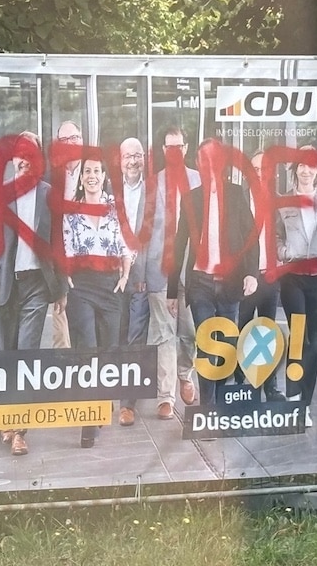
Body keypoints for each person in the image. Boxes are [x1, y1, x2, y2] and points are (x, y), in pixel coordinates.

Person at [0, 131, 66, 457]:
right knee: (8, 356)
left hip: (37, 286)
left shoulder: (49, 195)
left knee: (27, 357)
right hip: (5, 285)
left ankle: (19, 431)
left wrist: (61, 289)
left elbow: (58, 245)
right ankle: (7, 416)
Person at [168, 140, 259, 408]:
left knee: (226, 347)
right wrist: (172, 291)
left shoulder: (236, 194)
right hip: (201, 284)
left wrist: (251, 273)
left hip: (230, 283)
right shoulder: (191, 199)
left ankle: (220, 402)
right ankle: (207, 410)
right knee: (207, 344)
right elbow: (178, 244)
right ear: (198, 164)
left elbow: (251, 237)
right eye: (204, 160)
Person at [62, 157, 132, 448]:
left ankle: (101, 403)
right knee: (87, 352)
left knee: (108, 352)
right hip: (81, 287)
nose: (91, 176)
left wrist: (124, 276)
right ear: (81, 179)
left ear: (104, 176)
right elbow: (65, 247)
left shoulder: (116, 207)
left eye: (96, 171)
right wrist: (67, 279)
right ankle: (88, 423)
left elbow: (126, 245)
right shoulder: (71, 210)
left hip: (110, 287)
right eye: (87, 171)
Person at [276, 145, 317, 414]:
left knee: (315, 341)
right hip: (293, 279)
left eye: (310, 166)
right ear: (295, 169)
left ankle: (306, 403)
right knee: (298, 335)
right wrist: (284, 252)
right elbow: (276, 237)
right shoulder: (283, 201)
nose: (305, 170)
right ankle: (292, 396)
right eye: (301, 165)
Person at [145, 127, 200, 417]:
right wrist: (141, 272)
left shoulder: (199, 181)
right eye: (169, 147)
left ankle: (184, 375)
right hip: (160, 268)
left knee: (189, 332)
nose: (175, 151)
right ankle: (165, 396)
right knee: (163, 334)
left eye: (179, 146)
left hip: (192, 270)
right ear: (164, 151)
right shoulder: (152, 184)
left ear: (186, 148)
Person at [234, 149, 285, 401]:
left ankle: (270, 386)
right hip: (245, 277)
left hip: (270, 277)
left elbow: (285, 235)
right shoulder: (238, 200)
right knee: (242, 329)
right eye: (254, 169)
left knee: (267, 333)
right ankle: (240, 384)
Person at [115, 137, 154, 426]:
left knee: (135, 339)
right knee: (116, 337)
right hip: (113, 278)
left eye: (137, 155)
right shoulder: (108, 190)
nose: (133, 161)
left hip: (140, 278)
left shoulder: (154, 192)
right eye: (128, 156)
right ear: (120, 160)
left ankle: (127, 404)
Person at [50, 119, 83, 349]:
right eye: (64, 140)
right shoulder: (50, 177)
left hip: (89, 264)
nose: (69, 144)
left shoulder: (96, 172)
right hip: (59, 262)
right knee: (61, 335)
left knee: (85, 330)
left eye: (74, 138)